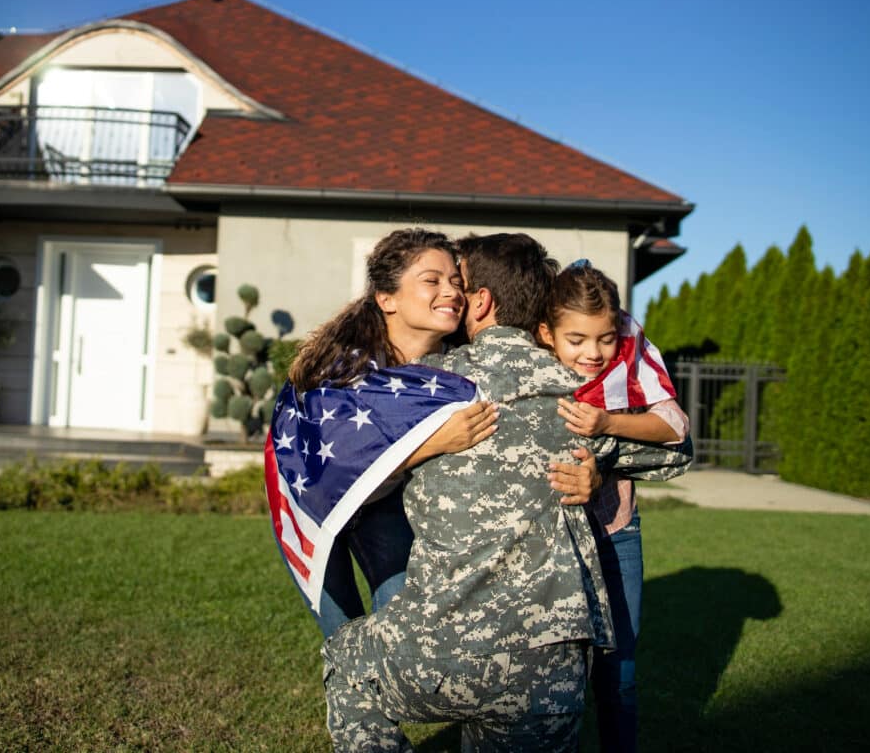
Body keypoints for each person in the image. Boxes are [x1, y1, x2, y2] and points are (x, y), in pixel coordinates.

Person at [321, 233, 693, 751]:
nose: (452, 296)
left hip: (437, 654)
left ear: (481, 302)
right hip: (550, 678)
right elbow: (676, 450)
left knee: (347, 666)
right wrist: (602, 461)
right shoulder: (580, 396)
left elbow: (336, 468)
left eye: (459, 285)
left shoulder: (425, 389)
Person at [278, 227, 499, 639]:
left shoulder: (459, 368)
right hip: (313, 501)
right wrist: (434, 443)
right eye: (432, 280)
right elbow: (333, 464)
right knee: (343, 636)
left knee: (401, 626)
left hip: (387, 504)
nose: (451, 291)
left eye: (456, 281)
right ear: (387, 299)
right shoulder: (343, 370)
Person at [537, 259, 691, 753]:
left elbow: (676, 427)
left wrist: (608, 423)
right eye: (577, 339)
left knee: (619, 672)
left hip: (615, 531)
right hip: (550, 540)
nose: (594, 353)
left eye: (605, 339)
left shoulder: (627, 360)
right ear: (546, 334)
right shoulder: (528, 370)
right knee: (549, 678)